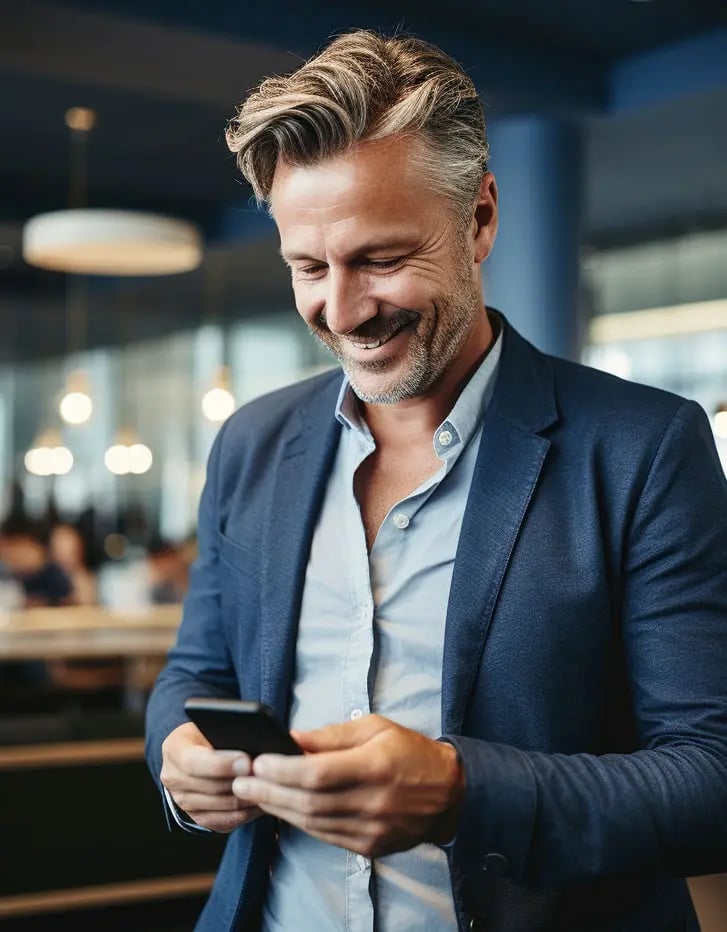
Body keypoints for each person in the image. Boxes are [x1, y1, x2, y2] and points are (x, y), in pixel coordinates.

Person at [145, 30, 727, 932]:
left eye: (380, 259)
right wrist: (176, 758)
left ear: (480, 219)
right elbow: (196, 669)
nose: (341, 311)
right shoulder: (251, 443)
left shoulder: (644, 447)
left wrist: (460, 791)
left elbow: (710, 775)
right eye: (308, 267)